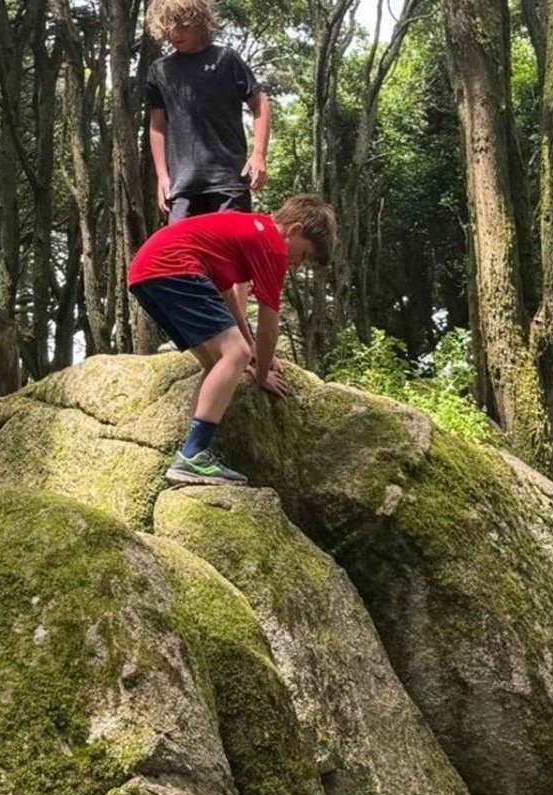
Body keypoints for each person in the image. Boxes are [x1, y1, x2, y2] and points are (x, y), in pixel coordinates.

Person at [127, 194, 336, 486]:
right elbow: (269, 328)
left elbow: (227, 297)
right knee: (234, 354)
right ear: (295, 230)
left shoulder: (246, 232)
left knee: (219, 362)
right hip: (173, 267)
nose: (297, 266)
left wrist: (250, 347)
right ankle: (193, 454)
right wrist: (261, 373)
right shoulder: (272, 246)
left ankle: (192, 450)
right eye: (303, 256)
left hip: (147, 273)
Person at [145, 0, 270, 223]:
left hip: (228, 179)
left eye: (183, 25)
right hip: (181, 186)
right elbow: (157, 125)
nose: (176, 33)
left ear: (200, 21)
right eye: (169, 27)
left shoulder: (225, 59)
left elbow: (259, 102)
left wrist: (259, 154)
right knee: (182, 254)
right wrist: (162, 176)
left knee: (228, 252)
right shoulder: (160, 71)